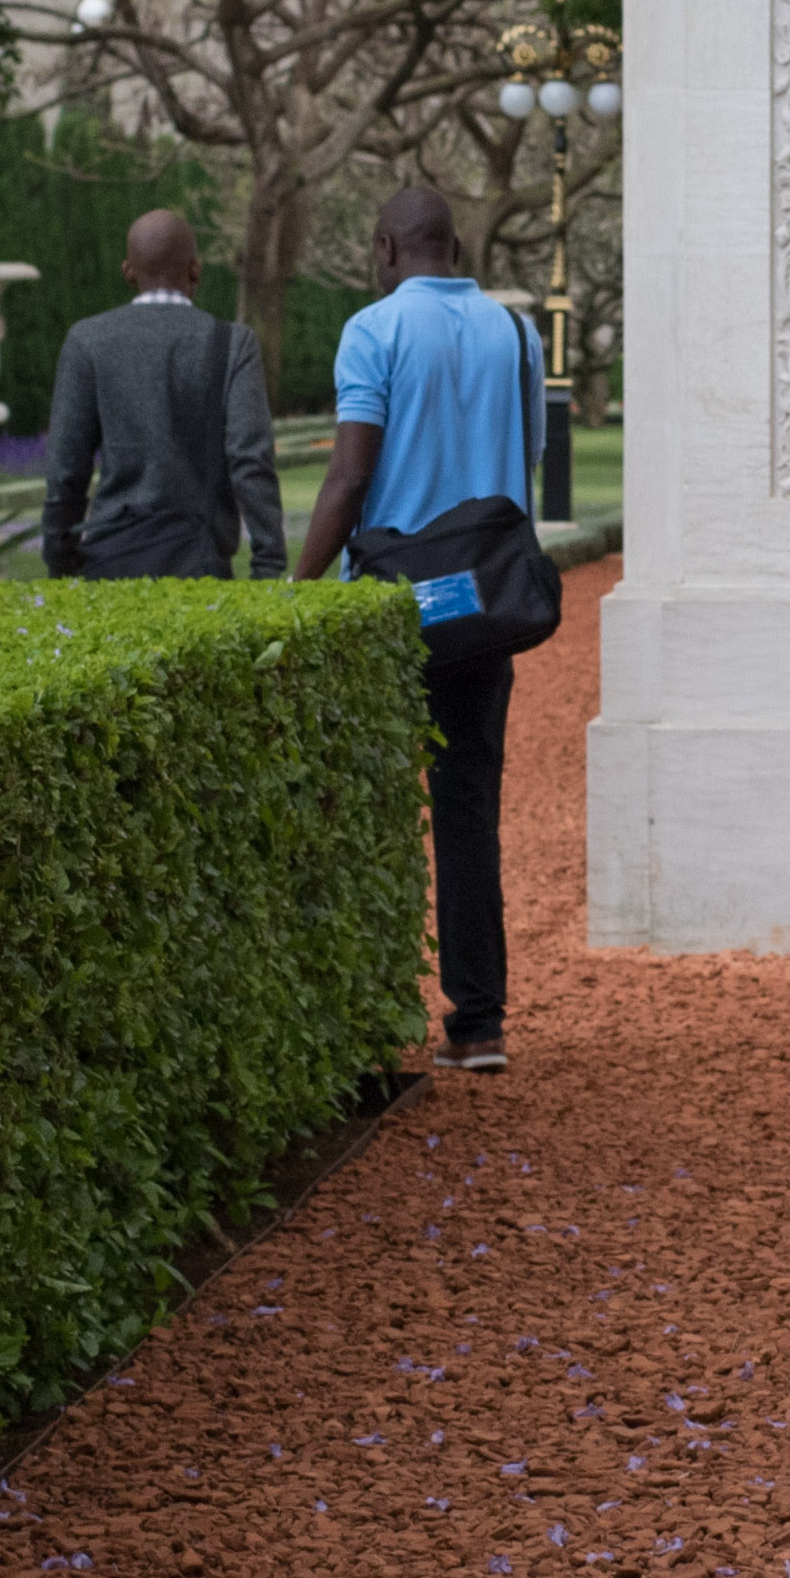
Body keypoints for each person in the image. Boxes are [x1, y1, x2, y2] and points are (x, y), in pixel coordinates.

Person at [293, 180, 539, 1075]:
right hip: (484, 602)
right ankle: (478, 1024)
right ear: (456, 251)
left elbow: (350, 476)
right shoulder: (517, 333)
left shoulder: (374, 330)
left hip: (395, 605)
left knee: (373, 805)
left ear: (385, 250)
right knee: (468, 806)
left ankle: (370, 1023)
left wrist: (298, 588)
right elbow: (526, 462)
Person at [33, 208, 284, 580]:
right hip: (201, 561)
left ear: (128, 271)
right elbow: (251, 459)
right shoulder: (232, 344)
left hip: (109, 560)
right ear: (195, 269)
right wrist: (268, 563)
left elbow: (66, 468)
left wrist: (60, 558)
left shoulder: (88, 341)